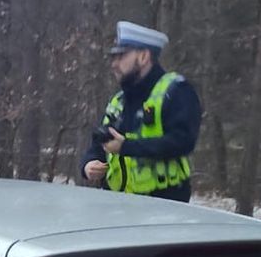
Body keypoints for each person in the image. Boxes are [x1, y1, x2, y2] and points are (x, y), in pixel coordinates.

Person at [81, 21, 202, 202]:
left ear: (144, 56)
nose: (114, 64)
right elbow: (99, 144)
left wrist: (126, 146)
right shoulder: (119, 101)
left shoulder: (176, 91)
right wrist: (88, 165)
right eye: (113, 58)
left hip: (164, 207)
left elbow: (182, 142)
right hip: (117, 205)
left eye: (121, 56)